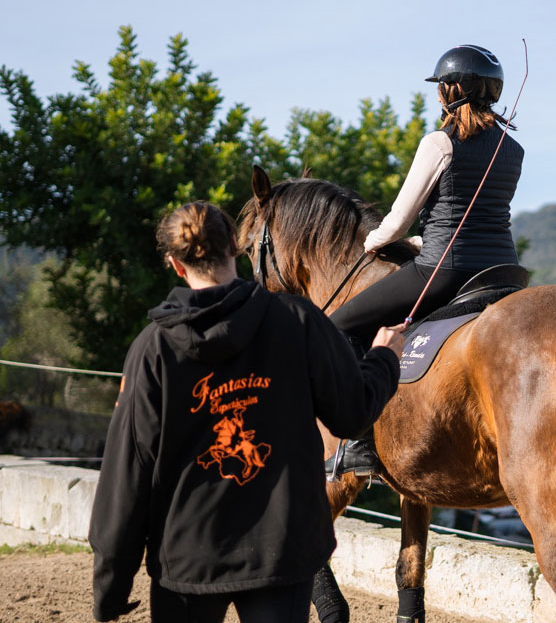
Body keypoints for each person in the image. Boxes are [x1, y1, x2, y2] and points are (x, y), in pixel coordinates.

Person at [88, 201, 405, 623]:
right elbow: (353, 414)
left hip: (186, 562)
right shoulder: (299, 322)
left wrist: (110, 586)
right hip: (283, 555)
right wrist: (383, 358)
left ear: (176, 265)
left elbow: (127, 473)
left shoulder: (153, 349)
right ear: (236, 248)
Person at [327, 44, 524, 477]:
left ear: (452, 90)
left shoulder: (439, 142)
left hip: (445, 271)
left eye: (440, 87)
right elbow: (476, 214)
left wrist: (372, 242)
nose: (438, 94)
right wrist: (422, 239)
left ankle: (360, 443)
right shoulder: (514, 150)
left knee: (338, 326)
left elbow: (398, 220)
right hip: (503, 271)